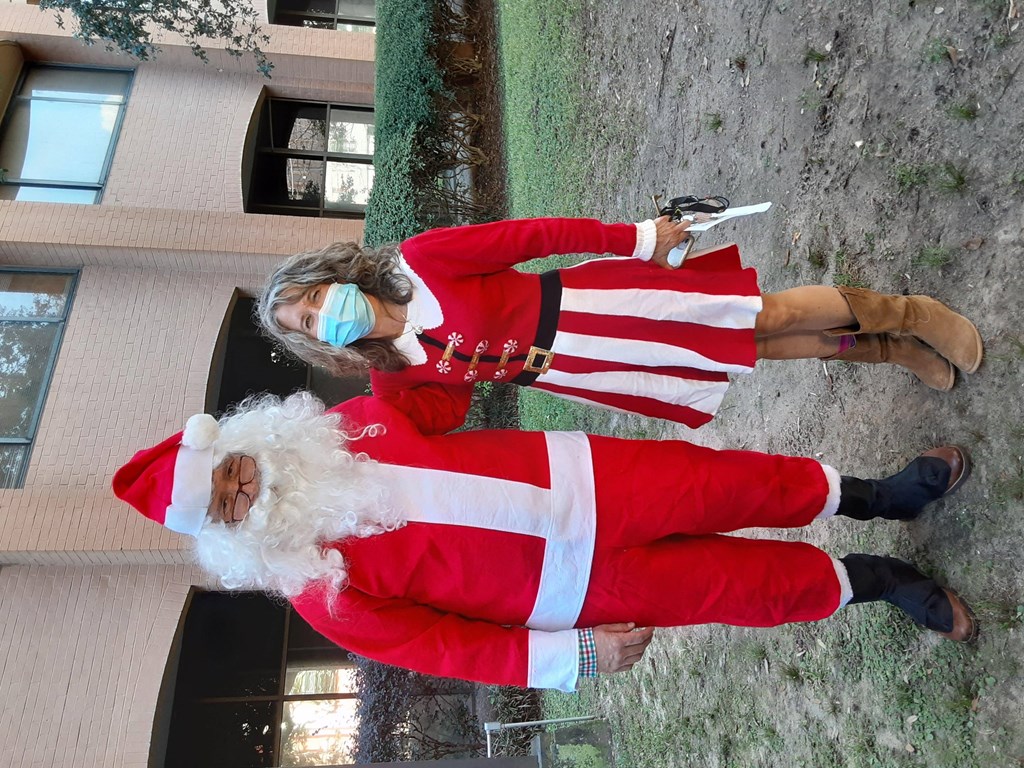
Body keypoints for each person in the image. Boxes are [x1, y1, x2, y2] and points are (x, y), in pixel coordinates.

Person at [114, 388, 976, 691]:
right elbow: (446, 649)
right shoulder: (318, 589)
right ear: (228, 533)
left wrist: (402, 338)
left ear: (238, 444)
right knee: (735, 586)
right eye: (227, 502)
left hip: (588, 483)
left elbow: (434, 396)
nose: (245, 487)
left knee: (742, 482)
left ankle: (882, 495)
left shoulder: (344, 427)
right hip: (571, 591)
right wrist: (574, 658)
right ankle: (881, 580)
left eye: (230, 470)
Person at [255, 216, 983, 428]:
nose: (325, 318)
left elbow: (531, 238)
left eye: (316, 300)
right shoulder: (397, 375)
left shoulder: (423, 261)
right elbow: (434, 426)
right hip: (584, 367)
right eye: (311, 326)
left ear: (334, 275)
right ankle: (888, 350)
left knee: (767, 315)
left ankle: (914, 314)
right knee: (758, 351)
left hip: (599, 306)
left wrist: (635, 240)